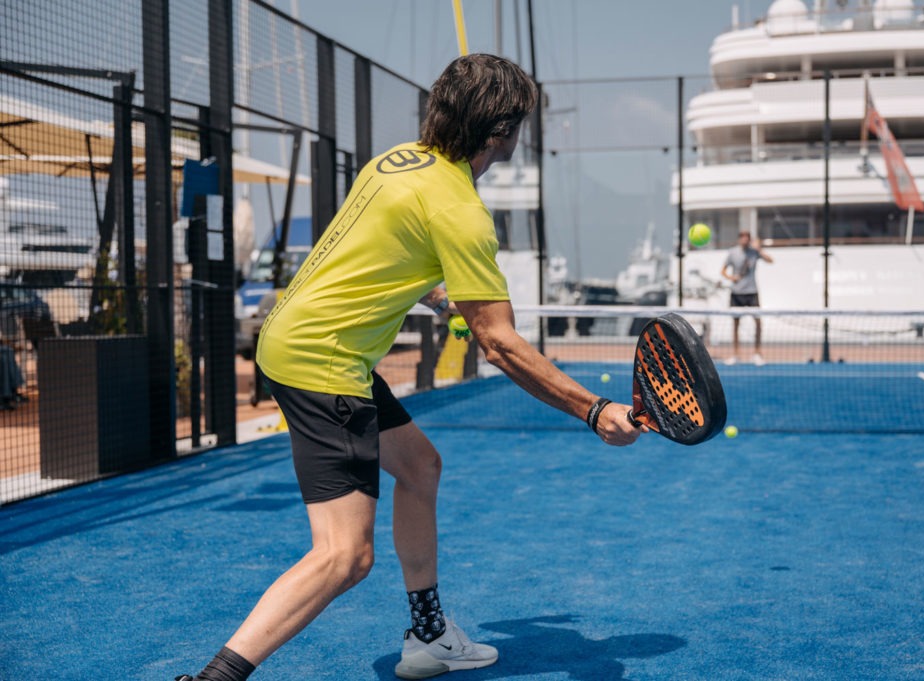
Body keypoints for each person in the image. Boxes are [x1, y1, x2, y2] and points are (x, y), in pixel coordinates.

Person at [176, 54, 644, 681]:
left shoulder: (398, 162)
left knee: (420, 467)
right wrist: (594, 409)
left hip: (297, 337)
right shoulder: (461, 210)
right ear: (500, 134)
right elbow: (500, 344)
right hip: (326, 360)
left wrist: (433, 290)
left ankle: (428, 637)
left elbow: (379, 252)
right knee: (345, 556)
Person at [720, 230, 773, 366]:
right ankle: (736, 355)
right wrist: (732, 278)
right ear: (739, 239)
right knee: (735, 324)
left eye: (746, 238)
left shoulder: (754, 252)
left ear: (749, 240)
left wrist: (759, 250)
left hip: (752, 292)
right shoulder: (732, 253)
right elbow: (723, 271)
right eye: (742, 237)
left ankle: (757, 354)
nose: (744, 240)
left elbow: (771, 261)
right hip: (736, 293)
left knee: (758, 323)